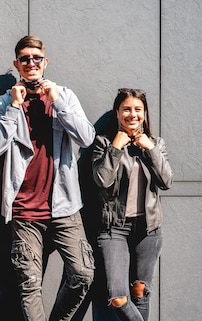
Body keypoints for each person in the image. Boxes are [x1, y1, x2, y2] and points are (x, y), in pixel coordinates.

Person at [0, 35, 96, 321]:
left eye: (36, 58)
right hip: (23, 209)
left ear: (45, 62)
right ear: (17, 64)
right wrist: (13, 107)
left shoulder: (64, 96)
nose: (31, 63)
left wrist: (57, 101)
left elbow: (86, 137)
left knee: (83, 274)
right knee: (29, 284)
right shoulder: (3, 102)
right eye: (25, 59)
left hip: (64, 205)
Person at [91, 88, 172, 321]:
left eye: (138, 109)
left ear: (145, 113)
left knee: (140, 292)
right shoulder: (103, 143)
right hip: (114, 229)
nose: (132, 114)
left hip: (148, 229)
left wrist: (151, 149)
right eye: (126, 109)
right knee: (118, 296)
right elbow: (102, 180)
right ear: (117, 112)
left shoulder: (156, 144)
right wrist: (115, 148)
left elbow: (166, 181)